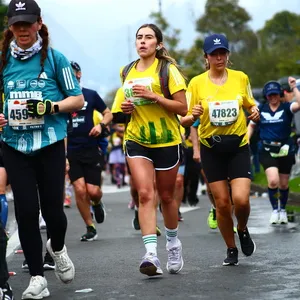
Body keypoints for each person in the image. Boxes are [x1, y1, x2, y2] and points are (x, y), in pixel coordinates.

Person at [0, 0, 84, 298]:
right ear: (10, 27)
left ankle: (57, 247)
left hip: (49, 144)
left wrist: (52, 106)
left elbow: (77, 100)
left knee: (54, 213)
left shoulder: (54, 59)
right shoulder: (2, 60)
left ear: (39, 23)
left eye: (27, 23)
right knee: (25, 212)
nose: (22, 29)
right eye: (16, 24)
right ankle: (37, 277)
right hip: (14, 145)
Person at [113, 24, 187, 276]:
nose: (143, 42)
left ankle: (173, 243)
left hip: (167, 140)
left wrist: (154, 96)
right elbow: (128, 104)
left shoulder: (168, 70)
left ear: (158, 44)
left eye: (148, 38)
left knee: (166, 197)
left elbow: (182, 108)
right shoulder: (126, 71)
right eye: (139, 38)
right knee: (145, 194)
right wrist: (126, 108)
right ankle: (151, 255)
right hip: (137, 138)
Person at [181, 33, 259, 266]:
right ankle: (231, 247)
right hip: (211, 149)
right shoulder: (196, 83)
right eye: (214, 54)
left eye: (222, 53)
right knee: (223, 203)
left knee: (241, 200)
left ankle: (242, 229)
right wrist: (191, 115)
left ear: (228, 54)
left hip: (238, 146)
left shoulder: (240, 78)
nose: (219, 57)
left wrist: (254, 111)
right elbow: (183, 119)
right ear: (206, 57)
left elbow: (250, 104)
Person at [67, 61, 112, 241]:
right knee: (79, 190)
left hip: (91, 148)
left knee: (92, 191)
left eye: (72, 73)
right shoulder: (61, 97)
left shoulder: (91, 95)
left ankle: (97, 202)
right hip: (71, 150)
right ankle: (89, 226)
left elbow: (109, 114)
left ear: (79, 74)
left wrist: (101, 126)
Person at [248, 79, 300, 224]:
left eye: (275, 94)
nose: (273, 97)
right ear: (266, 96)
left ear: (279, 94)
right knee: (273, 180)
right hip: (267, 149)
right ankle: (274, 210)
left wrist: (294, 87)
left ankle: (282, 210)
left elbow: (299, 104)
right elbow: (251, 125)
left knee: (283, 184)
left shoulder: (287, 107)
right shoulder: (261, 110)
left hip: (285, 149)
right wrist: (246, 141)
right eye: (270, 95)